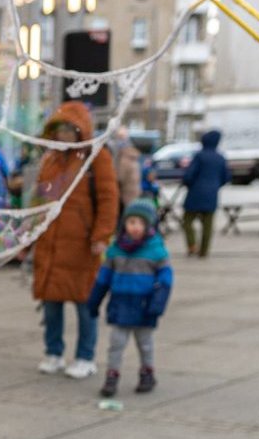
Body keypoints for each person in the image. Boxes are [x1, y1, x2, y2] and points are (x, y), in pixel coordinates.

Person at [30, 102, 118, 380]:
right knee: (51, 302)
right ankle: (54, 352)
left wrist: (101, 236)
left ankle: (85, 356)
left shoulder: (97, 158)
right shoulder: (52, 160)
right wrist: (32, 228)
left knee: (84, 304)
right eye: (59, 129)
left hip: (82, 244)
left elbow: (108, 199)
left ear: (81, 130)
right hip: (52, 243)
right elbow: (42, 199)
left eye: (70, 129)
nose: (64, 135)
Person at [88, 197, 173, 398]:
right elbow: (103, 279)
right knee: (116, 343)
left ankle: (147, 373)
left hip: (144, 305)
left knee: (145, 344)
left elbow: (166, 281)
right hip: (121, 304)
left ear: (149, 225)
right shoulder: (115, 250)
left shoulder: (156, 250)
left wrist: (157, 304)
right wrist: (94, 302)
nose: (135, 227)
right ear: (124, 223)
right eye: (131, 222)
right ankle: (112, 375)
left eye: (141, 223)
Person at [179, 129, 231, 258]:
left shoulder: (200, 156)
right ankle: (204, 251)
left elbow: (189, 175)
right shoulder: (220, 157)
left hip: (195, 193)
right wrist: (215, 186)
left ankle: (192, 245)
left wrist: (187, 182)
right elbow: (226, 177)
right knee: (208, 224)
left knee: (187, 220)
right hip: (212, 194)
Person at [111, 129, 143, 213]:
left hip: (125, 195)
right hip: (134, 193)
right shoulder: (133, 157)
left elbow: (120, 178)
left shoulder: (124, 159)